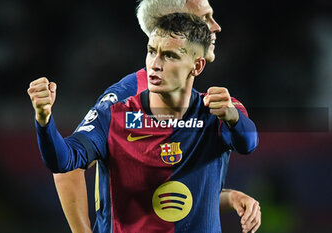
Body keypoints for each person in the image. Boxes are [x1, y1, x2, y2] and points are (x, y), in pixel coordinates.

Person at [28, 12, 259, 233]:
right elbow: (63, 160)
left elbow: (248, 143)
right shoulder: (114, 114)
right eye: (151, 51)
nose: (155, 64)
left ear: (197, 66)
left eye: (169, 55)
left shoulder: (217, 111)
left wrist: (233, 117)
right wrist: (44, 120)